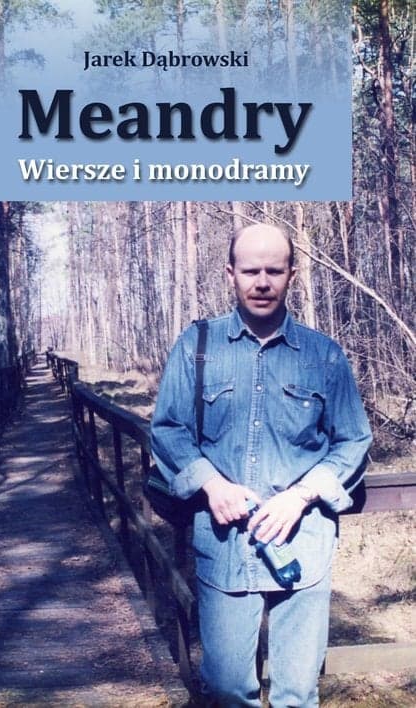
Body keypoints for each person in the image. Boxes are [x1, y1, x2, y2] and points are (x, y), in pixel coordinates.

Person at [150, 223, 372, 707]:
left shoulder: (324, 355)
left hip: (304, 545)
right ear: (230, 274)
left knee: (298, 693)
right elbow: (168, 429)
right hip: (225, 547)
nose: (263, 282)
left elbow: (354, 439)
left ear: (292, 274)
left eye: (275, 270)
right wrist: (211, 485)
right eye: (251, 271)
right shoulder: (196, 347)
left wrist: (302, 495)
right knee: (228, 688)